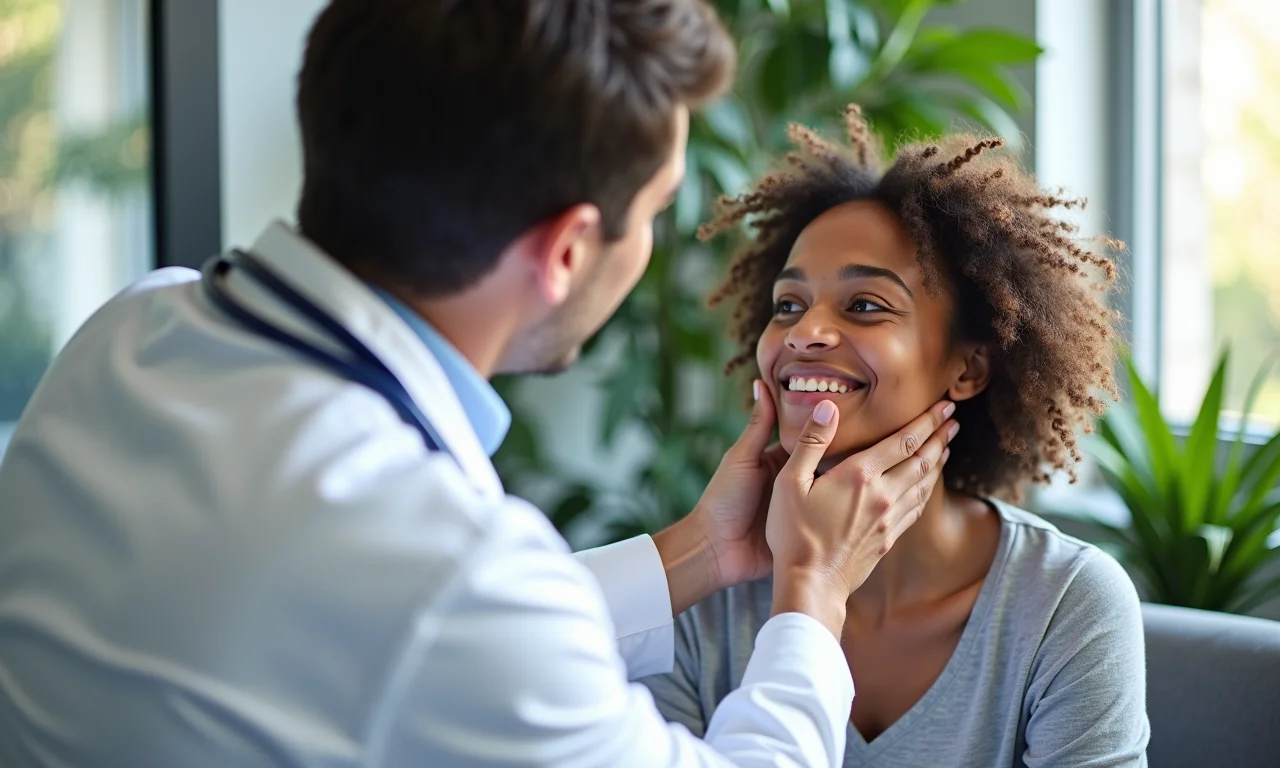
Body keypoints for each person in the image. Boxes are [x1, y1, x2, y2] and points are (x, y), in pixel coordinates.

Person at [0, 4, 960, 767]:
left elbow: (396, 639)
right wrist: (813, 595)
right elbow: (450, 623)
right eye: (658, 208)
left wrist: (700, 553)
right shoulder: (442, 568)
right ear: (570, 249)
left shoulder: (132, 329)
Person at [640, 105, 1151, 767]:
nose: (802, 334)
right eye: (787, 306)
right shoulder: (703, 601)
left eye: (864, 306)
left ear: (967, 368)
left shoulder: (1064, 605)